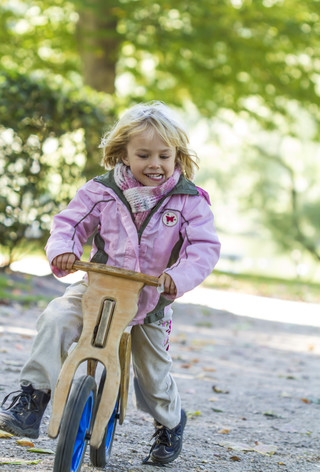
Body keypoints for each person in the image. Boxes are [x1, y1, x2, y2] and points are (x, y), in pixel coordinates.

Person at [0, 101, 220, 464]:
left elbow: (203, 248)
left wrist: (175, 278)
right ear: (123, 154)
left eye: (165, 156)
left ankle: (169, 421)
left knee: (152, 377)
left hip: (150, 300)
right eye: (144, 154)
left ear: (177, 156)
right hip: (96, 289)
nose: (155, 164)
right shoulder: (102, 190)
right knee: (56, 318)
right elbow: (69, 224)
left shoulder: (189, 201)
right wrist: (64, 251)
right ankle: (32, 396)